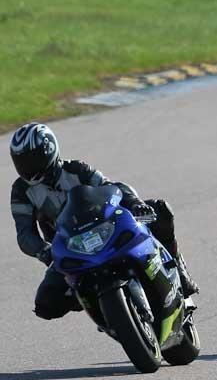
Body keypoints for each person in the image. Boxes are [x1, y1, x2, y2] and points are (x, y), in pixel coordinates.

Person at [9, 123, 198, 321]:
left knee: (160, 210)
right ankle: (96, 302)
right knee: (46, 305)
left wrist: (135, 203)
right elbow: (24, 233)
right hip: (69, 248)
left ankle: (181, 273)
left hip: (106, 228)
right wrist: (43, 251)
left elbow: (111, 186)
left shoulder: (76, 169)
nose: (27, 167)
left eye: (31, 159)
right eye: (20, 161)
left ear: (48, 150)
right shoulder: (21, 191)